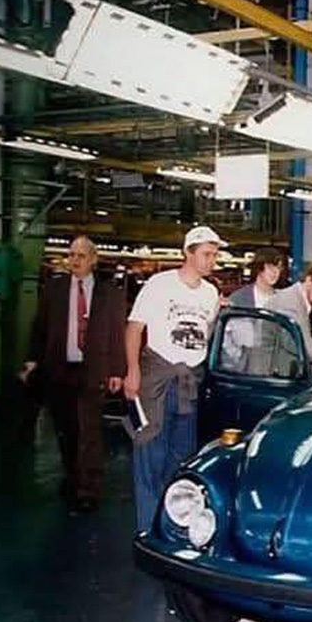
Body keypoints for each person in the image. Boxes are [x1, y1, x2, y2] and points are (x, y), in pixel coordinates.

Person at [123, 225, 225, 531]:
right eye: (207, 254)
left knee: (181, 456)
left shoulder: (210, 293)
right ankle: (146, 528)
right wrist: (132, 370)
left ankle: (172, 524)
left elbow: (205, 334)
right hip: (157, 379)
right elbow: (133, 329)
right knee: (150, 452)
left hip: (189, 382)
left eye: (215, 254)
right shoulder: (159, 284)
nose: (212, 260)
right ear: (188, 253)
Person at [23, 236, 126, 512]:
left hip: (93, 370)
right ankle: (72, 476)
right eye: (71, 255)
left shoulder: (109, 292)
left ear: (93, 259)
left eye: (81, 255)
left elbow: (117, 333)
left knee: (90, 431)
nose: (75, 260)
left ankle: (88, 489)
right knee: (66, 430)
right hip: (59, 369)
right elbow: (40, 327)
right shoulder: (54, 289)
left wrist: (118, 370)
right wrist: (32, 360)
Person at [267, 260, 312, 366]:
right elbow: (303, 345)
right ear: (309, 280)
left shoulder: (306, 303)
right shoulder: (288, 303)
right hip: (271, 375)